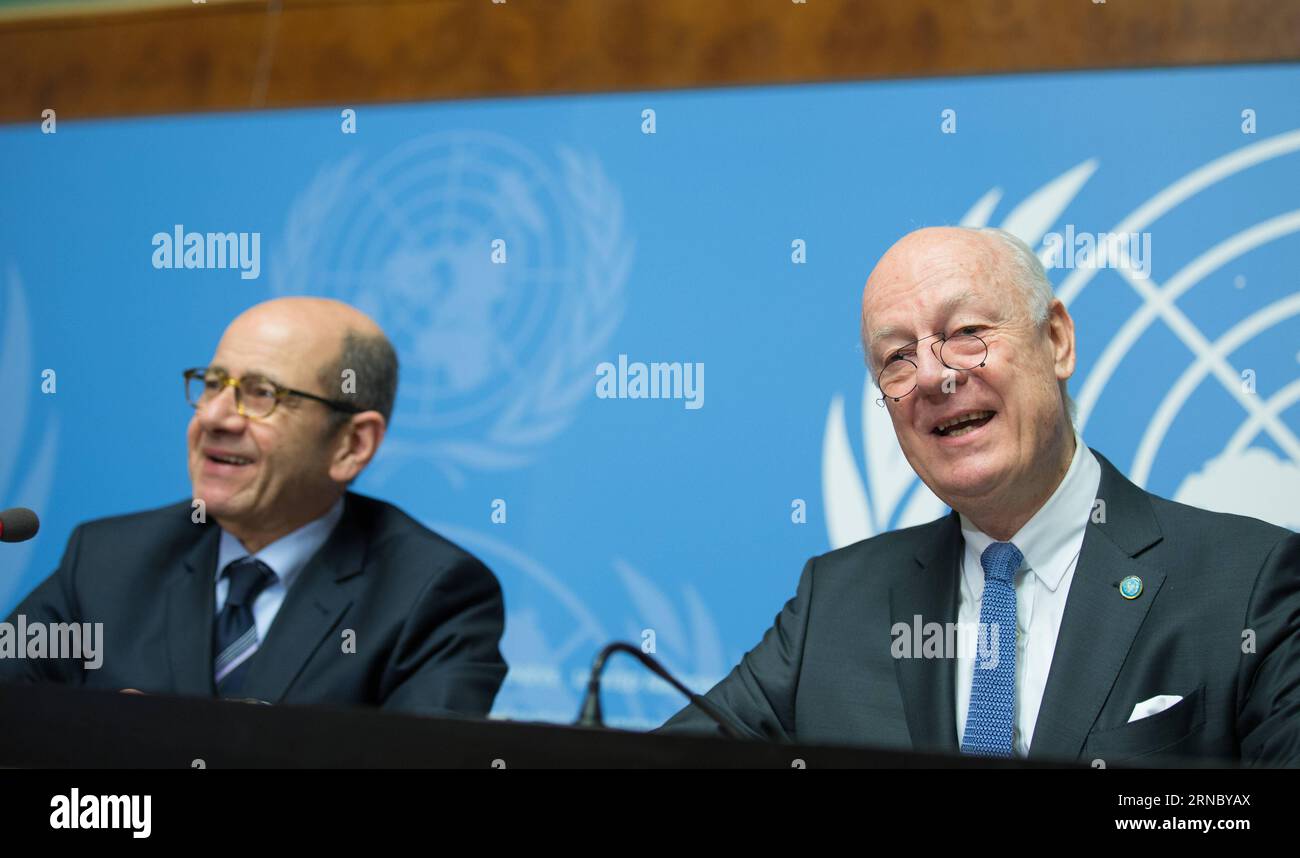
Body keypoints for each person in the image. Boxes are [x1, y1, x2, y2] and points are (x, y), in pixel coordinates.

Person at [659, 226, 1300, 766]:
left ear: (1056, 341)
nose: (936, 376)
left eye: (966, 331)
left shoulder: (1248, 585)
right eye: (898, 358)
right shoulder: (835, 603)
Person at [0, 297, 507, 718]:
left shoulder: (432, 594)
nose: (216, 416)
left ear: (353, 444)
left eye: (262, 394)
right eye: (214, 384)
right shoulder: (108, 559)